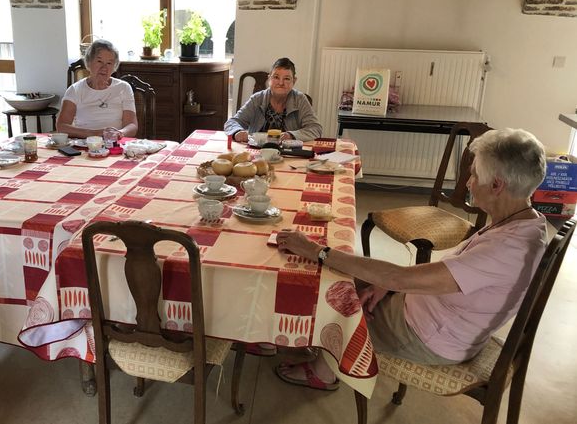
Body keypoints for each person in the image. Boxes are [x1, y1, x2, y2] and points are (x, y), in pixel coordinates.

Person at [274, 128, 548, 390]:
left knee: (335, 291)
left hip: (428, 337)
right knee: (340, 273)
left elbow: (400, 277)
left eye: (474, 175)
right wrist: (390, 286)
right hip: (432, 312)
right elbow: (439, 274)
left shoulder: (506, 250)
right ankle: (321, 347)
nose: (468, 182)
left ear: (497, 185)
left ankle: (323, 371)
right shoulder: (523, 223)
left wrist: (317, 251)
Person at [225, 57, 322, 143]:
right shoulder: (257, 99)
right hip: (257, 154)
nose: (281, 83)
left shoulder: (300, 99)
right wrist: (237, 132)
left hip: (288, 153)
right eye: (276, 77)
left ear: (294, 81)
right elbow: (232, 122)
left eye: (287, 78)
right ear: (269, 79)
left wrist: (292, 135)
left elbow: (315, 128)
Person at [56, 39, 138, 139]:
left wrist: (119, 133)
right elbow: (62, 127)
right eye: (99, 61)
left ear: (114, 67)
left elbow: (132, 126)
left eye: (109, 63)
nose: (104, 67)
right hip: (84, 144)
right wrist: (93, 133)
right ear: (89, 63)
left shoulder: (123, 88)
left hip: (114, 144)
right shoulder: (75, 90)